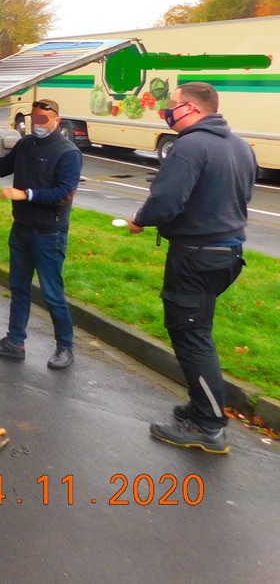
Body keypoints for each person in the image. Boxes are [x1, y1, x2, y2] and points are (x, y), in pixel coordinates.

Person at [127, 82, 254, 455]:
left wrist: (140, 219)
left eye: (173, 105)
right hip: (227, 254)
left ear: (194, 109)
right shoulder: (240, 146)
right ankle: (202, 407)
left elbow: (165, 201)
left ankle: (209, 426)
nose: (168, 111)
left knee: (192, 337)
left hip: (196, 256)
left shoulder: (189, 146)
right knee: (197, 331)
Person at [0, 98, 81, 369]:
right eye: (34, 120)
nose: (37, 125)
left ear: (57, 119)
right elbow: (1, 168)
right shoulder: (25, 144)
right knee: (19, 287)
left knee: (52, 293)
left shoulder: (68, 152)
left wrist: (25, 194)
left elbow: (63, 194)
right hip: (21, 227)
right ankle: (14, 341)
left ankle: (65, 347)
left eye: (43, 120)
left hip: (49, 233)